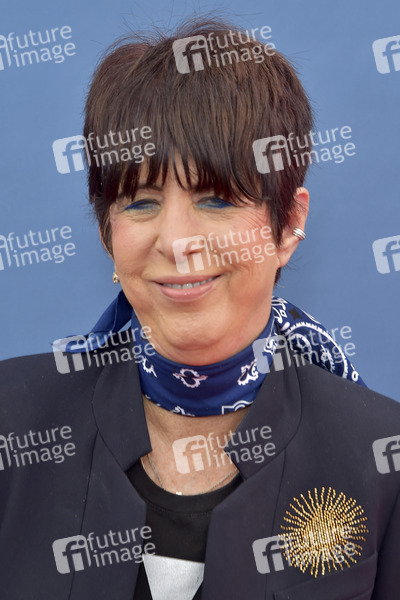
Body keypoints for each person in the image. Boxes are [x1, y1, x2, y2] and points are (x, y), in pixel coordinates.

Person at [1, 16, 399, 600]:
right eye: (140, 202)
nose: (176, 242)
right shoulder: (13, 423)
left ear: (288, 223)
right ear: (107, 233)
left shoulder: (380, 457)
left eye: (215, 199)